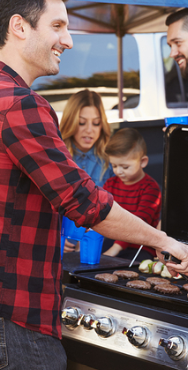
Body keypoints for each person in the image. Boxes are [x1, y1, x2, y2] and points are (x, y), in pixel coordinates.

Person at [0, 0, 188, 370]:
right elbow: (85, 202)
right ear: (19, 26)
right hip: (12, 316)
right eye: (58, 26)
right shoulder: (20, 103)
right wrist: (165, 242)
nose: (68, 40)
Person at [59, 89, 114, 252]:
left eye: (96, 123)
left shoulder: (111, 160)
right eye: (82, 123)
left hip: (97, 245)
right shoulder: (57, 156)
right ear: (70, 122)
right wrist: (58, 235)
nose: (89, 130)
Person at [102, 128, 160, 261]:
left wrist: (114, 249)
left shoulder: (150, 188)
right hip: (112, 240)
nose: (119, 171)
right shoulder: (110, 184)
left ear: (143, 162)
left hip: (140, 246)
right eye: (114, 166)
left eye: (125, 167)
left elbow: (139, 223)